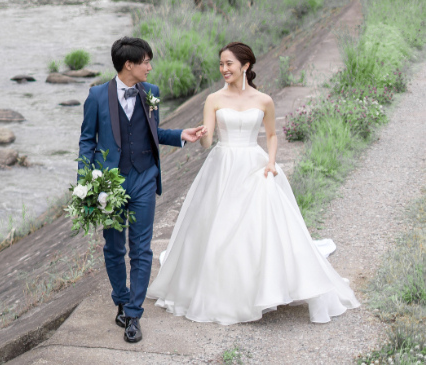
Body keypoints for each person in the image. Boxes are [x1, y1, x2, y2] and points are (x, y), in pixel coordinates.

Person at [145, 42, 360, 325]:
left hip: (255, 164)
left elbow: (271, 135)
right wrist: (203, 135)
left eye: (229, 64)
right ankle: (224, 292)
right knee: (218, 228)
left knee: (259, 228)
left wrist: (271, 162)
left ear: (245, 66)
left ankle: (264, 287)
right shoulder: (213, 99)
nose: (224, 69)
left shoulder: (264, 100)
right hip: (222, 165)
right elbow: (208, 142)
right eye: (221, 64)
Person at [78, 36, 206, 343]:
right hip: (110, 182)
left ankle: (134, 314)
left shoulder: (152, 93)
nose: (150, 67)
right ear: (129, 65)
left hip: (145, 177)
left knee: (141, 248)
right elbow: (87, 142)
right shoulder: (97, 96)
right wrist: (87, 184)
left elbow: (151, 133)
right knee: (113, 247)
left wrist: (180, 135)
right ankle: (121, 299)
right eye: (146, 61)